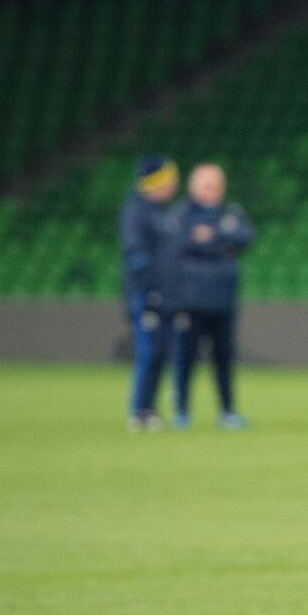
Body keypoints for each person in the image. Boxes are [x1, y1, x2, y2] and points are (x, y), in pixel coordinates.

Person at [168, 163, 253, 430]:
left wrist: (211, 237)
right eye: (206, 183)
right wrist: (222, 245)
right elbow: (180, 242)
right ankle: (181, 410)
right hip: (189, 299)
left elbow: (245, 237)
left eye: (215, 184)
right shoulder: (181, 213)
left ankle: (227, 411)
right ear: (193, 186)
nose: (211, 189)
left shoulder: (232, 212)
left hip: (223, 299)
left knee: (224, 358)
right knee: (184, 358)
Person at [119, 153, 179, 431]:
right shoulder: (137, 210)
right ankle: (138, 411)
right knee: (147, 351)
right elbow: (136, 253)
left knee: (160, 352)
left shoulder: (162, 212)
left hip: (166, 294)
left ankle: (150, 409)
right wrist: (148, 288)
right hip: (146, 294)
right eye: (169, 178)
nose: (173, 184)